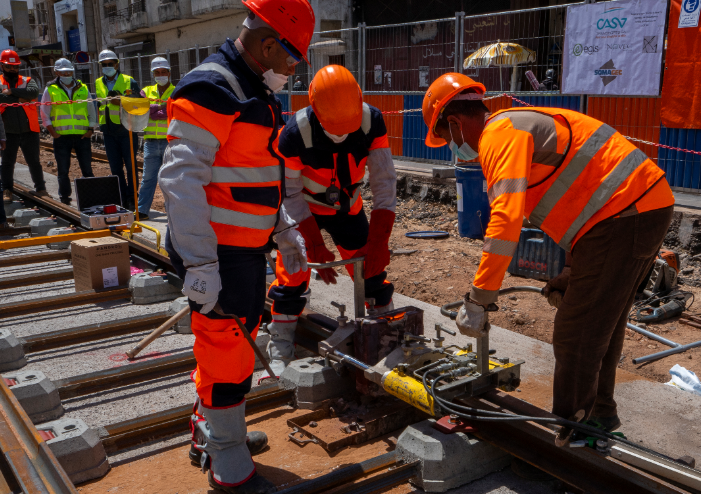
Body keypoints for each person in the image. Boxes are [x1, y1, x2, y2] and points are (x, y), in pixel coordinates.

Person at [422, 73, 674, 442]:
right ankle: (599, 415)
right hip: (633, 210)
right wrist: (572, 267)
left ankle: (573, 430)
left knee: (576, 331)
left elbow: (504, 222)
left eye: (445, 137)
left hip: (625, 214)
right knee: (601, 322)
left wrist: (479, 299)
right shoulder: (514, 127)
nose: (451, 146)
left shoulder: (499, 136)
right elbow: (580, 192)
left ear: (456, 124)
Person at [158, 0, 315, 491]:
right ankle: (226, 450)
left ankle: (211, 429)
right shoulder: (214, 88)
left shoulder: (254, 92)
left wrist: (283, 229)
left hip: (244, 250)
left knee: (230, 343)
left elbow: (254, 177)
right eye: (293, 59)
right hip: (218, 253)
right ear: (269, 44)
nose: (294, 70)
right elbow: (180, 180)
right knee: (226, 349)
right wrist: (201, 262)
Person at [264, 65, 397, 379]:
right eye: (333, 127)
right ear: (315, 111)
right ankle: (281, 341)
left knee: (371, 273)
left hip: (348, 209)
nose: (341, 134)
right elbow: (291, 193)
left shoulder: (372, 122)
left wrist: (379, 242)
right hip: (303, 212)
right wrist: (312, 242)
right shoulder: (293, 134)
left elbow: (385, 184)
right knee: (293, 272)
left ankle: (388, 335)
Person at [40, 58, 96, 205]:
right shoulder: (50, 89)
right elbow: (44, 113)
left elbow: (91, 110)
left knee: (87, 169)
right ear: (57, 72)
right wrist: (53, 132)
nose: (67, 74)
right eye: (63, 72)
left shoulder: (83, 87)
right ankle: (65, 198)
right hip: (61, 136)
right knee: (63, 170)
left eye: (69, 71)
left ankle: (91, 197)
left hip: (82, 135)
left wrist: (90, 129)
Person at [95, 49, 141, 210]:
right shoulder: (98, 82)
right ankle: (121, 197)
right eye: (104, 64)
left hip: (126, 130)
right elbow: (98, 105)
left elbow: (138, 105)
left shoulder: (129, 81)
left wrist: (120, 102)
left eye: (110, 64)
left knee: (130, 166)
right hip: (108, 131)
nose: (107, 66)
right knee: (115, 168)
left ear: (116, 64)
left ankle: (132, 197)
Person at [0, 49, 48, 203]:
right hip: (8, 131)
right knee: (7, 162)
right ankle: (7, 189)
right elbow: (1, 98)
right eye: (9, 67)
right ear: (2, 66)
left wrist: (11, 92)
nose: (13, 69)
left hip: (30, 130)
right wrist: (21, 97)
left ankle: (41, 188)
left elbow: (33, 93)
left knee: (34, 161)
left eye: (15, 67)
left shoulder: (28, 80)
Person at [137, 57, 174, 220]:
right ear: (153, 74)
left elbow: (173, 112)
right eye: (157, 72)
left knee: (171, 180)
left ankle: (172, 211)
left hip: (170, 142)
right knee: (148, 178)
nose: (160, 75)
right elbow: (144, 111)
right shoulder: (145, 91)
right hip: (150, 141)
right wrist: (163, 107)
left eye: (163, 72)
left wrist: (154, 108)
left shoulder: (177, 91)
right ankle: (142, 210)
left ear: (169, 73)